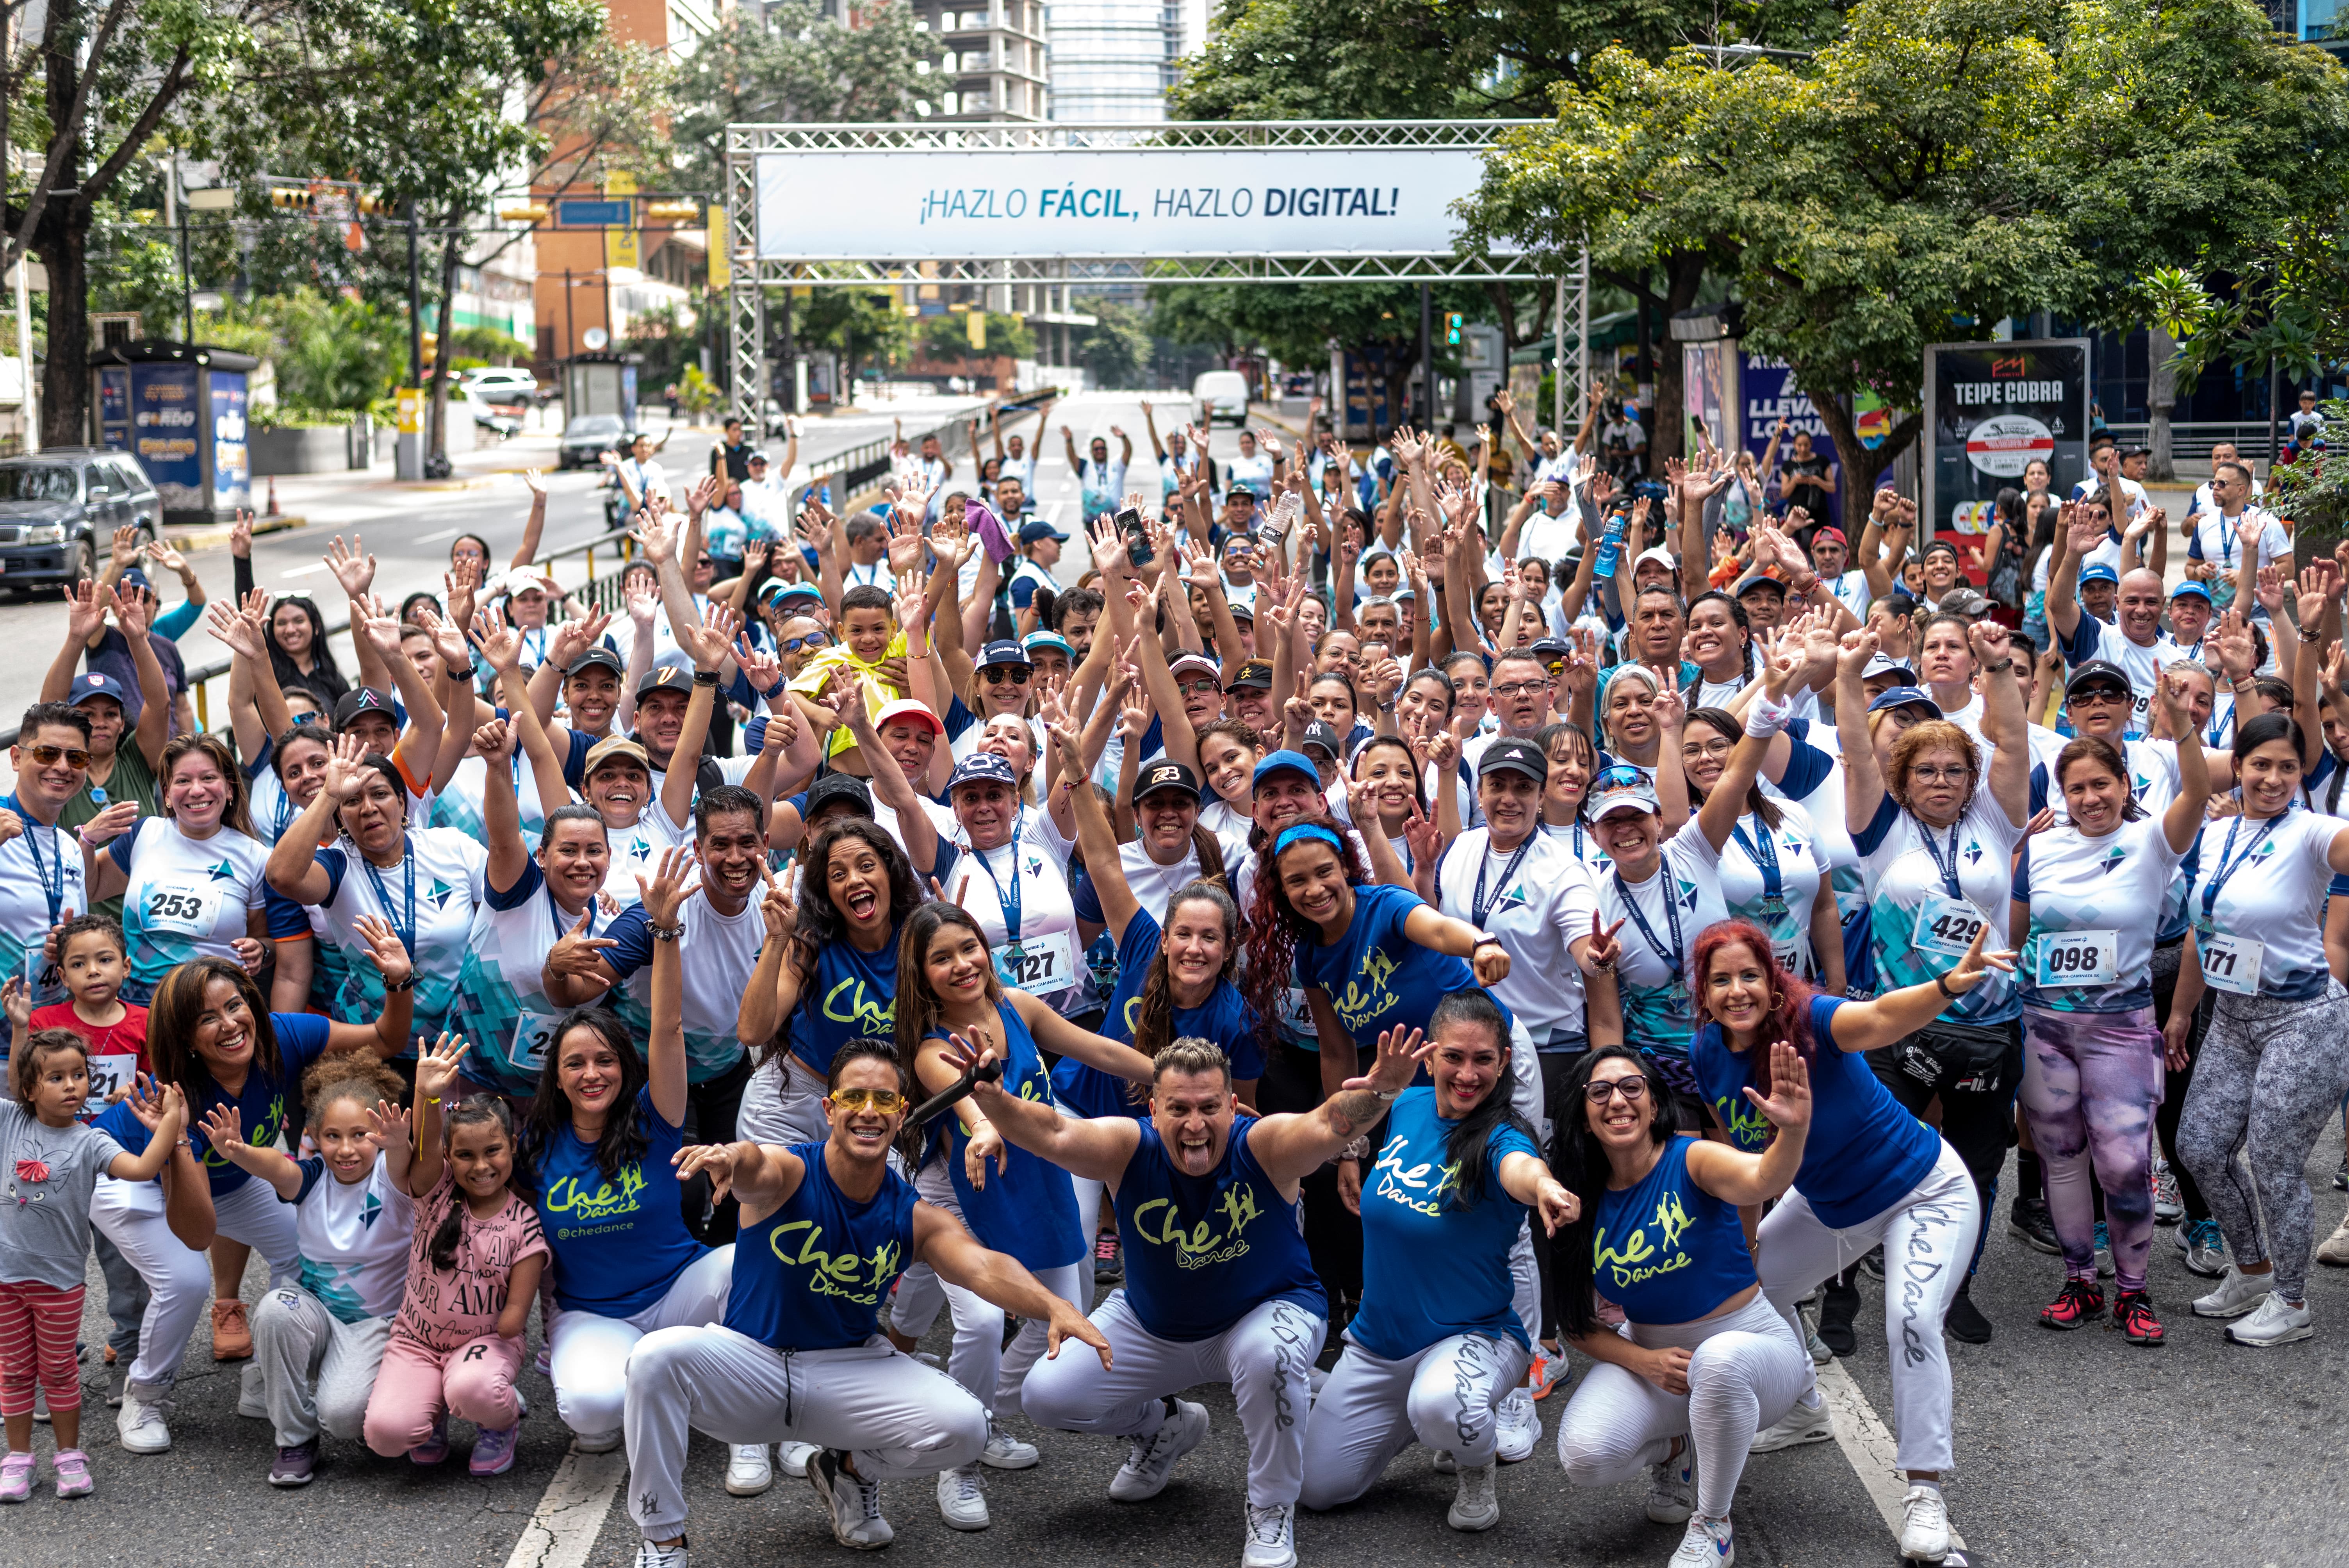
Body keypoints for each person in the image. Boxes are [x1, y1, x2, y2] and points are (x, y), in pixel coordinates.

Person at [955, 1023, 1436, 1568]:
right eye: (1178, 1110)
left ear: (1233, 1106)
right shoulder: (1127, 1147)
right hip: (1155, 1324)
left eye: (1209, 1107)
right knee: (1046, 1394)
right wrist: (993, 1099)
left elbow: (1328, 1122)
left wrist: (1382, 1090)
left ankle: (1271, 1509)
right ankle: (1165, 1425)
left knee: (1271, 1358)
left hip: (1264, 1313)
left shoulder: (1263, 1146)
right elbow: (1053, 1132)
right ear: (1154, 1110)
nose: (1195, 1125)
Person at [622, 1039, 1111, 1561]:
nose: (869, 1112)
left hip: (846, 1370)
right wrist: (729, 1157)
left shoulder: (912, 1214)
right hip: (754, 1365)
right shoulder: (791, 1172)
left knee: (967, 1428)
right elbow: (755, 1164)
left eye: (884, 1100)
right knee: (655, 1357)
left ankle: (850, 1471)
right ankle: (663, 1539)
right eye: (854, 1098)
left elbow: (982, 1266)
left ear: (903, 1115)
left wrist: (1055, 1306)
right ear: (830, 1109)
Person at [1687, 920, 2013, 1562]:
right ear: (1702, 991)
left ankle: (1924, 1494)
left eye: (1749, 975)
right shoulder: (1706, 1053)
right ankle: (1805, 1406)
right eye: (1720, 980)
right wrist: (1743, 1253)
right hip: (1827, 1203)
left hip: (1921, 1190)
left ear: (1772, 978)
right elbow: (1748, 1165)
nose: (1737, 991)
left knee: (1912, 1321)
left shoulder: (1812, 1021)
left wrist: (1947, 984)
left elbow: (1884, 1017)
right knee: (1744, 1297)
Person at [892, 901, 1153, 1528]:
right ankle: (957, 1462)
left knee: (1057, 1318)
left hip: (1036, 1177)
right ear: (921, 975)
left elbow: (1101, 1050)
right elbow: (966, 1102)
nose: (962, 965)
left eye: (968, 948)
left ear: (986, 947)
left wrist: (1179, 1084)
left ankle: (979, 1421)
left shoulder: (1019, 1006)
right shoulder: (933, 1047)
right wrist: (984, 1126)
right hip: (965, 1191)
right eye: (942, 958)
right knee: (982, 1324)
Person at [96, 948, 411, 1455]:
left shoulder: (283, 1037)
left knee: (299, 1247)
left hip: (226, 1174)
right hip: (126, 1179)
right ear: (186, 1039)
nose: (229, 1024)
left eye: (235, 1005)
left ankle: (265, 1379)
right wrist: (176, 1138)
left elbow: (385, 1039)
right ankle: (146, 1395)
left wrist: (399, 984)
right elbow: (199, 1233)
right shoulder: (182, 1094)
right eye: (206, 1019)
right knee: (187, 1278)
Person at [1298, 991, 1579, 1533]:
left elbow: (1521, 1168)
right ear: (1429, 1058)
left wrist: (1544, 1186)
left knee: (1444, 1406)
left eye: (1482, 1060)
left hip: (1474, 1336)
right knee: (1317, 1489)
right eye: (1454, 1056)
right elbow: (1335, 1128)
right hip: (1380, 1345)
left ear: (1503, 1064)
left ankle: (1473, 1464)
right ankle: (1426, 1417)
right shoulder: (1405, 1107)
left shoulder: (1504, 1137)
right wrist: (1373, 1100)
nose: (1467, 1073)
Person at [1834, 617, 2030, 1344]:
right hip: (1903, 1023)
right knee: (1874, 1156)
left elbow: (2010, 744)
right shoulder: (1880, 831)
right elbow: (1856, 748)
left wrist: (1999, 667)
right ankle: (1844, 1290)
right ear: (1902, 781)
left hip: (1988, 1027)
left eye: (1953, 771)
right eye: (1925, 772)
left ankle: (1955, 1290)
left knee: (1977, 1169)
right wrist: (1849, 677)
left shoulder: (1996, 819)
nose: (1941, 782)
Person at [1551, 1038, 1813, 1568]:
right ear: (1583, 1118)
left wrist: (1793, 1129)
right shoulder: (1578, 1197)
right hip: (1658, 1360)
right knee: (1585, 1457)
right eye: (1599, 1091)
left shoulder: (1691, 1159)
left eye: (1632, 1086)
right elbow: (1575, 1323)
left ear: (1653, 1104)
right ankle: (1678, 1448)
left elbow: (1765, 1178)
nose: (1618, 1100)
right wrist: (1643, 1361)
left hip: (1757, 1354)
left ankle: (1713, 1524)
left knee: (1718, 1362)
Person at [522, 850, 742, 1470]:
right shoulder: (534, 1146)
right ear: (557, 1079)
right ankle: (644, 1375)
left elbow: (668, 1029)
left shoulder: (655, 1116)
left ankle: (743, 1418)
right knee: (592, 1410)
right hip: (594, 1314)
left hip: (680, 1294)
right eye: (575, 1064)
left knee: (742, 1262)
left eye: (605, 1061)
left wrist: (666, 932)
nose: (593, 1074)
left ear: (625, 1068)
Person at [2011, 674, 2214, 1343]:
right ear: (2060, 796)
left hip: (2121, 1027)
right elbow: (2014, 942)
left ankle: (2133, 1290)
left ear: (2125, 787)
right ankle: (2080, 1281)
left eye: (2102, 785)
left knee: (2124, 1162)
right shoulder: (2036, 848)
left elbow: (2197, 790)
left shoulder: (2153, 841)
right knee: (2061, 1158)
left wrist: (2181, 724)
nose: (2091, 798)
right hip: (2045, 1025)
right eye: (2077, 789)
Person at [2169, 695, 2349, 1347]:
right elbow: (2201, 928)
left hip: (2304, 1019)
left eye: (2288, 768)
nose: (2273, 778)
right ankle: (2251, 1269)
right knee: (2200, 1147)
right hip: (2232, 1016)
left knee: (2275, 1162)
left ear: (2303, 774)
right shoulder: (2215, 832)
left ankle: (2293, 1302)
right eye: (2260, 765)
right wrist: (2183, 1011)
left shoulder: (2311, 833)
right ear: (2237, 766)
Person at [204, 1054, 413, 1486]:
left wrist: (402, 1143)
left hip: (374, 1325)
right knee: (274, 1308)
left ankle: (375, 1393)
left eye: (360, 1135)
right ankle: (296, 1438)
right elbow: (277, 1167)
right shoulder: (313, 1178)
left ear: (378, 1134)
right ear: (315, 1136)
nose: (347, 1148)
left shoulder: (390, 1181)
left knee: (344, 1417)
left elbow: (402, 1161)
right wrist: (239, 1151)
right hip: (316, 1316)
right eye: (333, 1136)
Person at [0, 1034, 189, 1500]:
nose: (72, 1086)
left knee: (60, 1371)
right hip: (5, 1279)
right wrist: (21, 1028)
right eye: (56, 1077)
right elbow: (12, 1075)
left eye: (79, 1075)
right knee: (15, 1371)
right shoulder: (9, 1120)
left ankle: (69, 1455)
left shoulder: (92, 1140)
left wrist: (171, 1121)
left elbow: (144, 1167)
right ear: (28, 1088)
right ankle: (18, 1459)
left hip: (60, 1284)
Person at [363, 1033, 547, 1475]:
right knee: (386, 1434)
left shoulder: (525, 1223)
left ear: (512, 1146)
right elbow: (423, 1147)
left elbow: (516, 1314)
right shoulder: (436, 1191)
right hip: (417, 1341)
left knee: (473, 1387)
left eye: (492, 1151)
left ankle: (499, 1423)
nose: (480, 1165)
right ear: (449, 1156)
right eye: (464, 1154)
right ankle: (434, 1413)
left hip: (485, 1345)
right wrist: (427, 1096)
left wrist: (505, 1325)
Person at [266, 733, 490, 1052]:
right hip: (371, 1037)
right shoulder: (337, 864)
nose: (368, 808)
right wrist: (329, 794)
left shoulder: (453, 847)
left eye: (380, 794)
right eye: (353, 801)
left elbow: (495, 928)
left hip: (459, 1033)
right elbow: (281, 876)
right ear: (341, 817)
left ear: (401, 803)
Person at [85, 734, 273, 1005]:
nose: (197, 790)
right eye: (183, 781)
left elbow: (265, 941)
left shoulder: (256, 857)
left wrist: (262, 951)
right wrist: (88, 840)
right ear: (167, 795)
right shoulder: (144, 834)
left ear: (230, 789)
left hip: (215, 1013)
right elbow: (91, 888)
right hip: (140, 1012)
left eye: (209, 778)